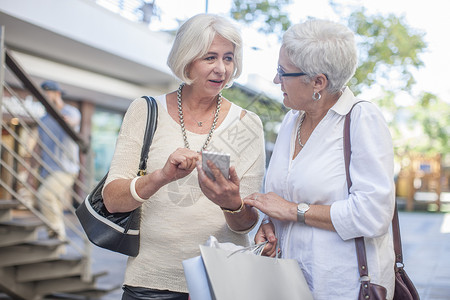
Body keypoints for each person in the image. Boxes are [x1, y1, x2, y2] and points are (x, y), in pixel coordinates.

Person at [102, 14, 265, 300]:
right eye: (210, 57)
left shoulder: (247, 124)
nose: (222, 69)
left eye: (228, 58)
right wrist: (161, 177)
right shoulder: (145, 110)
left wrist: (231, 203)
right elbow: (113, 201)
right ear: (186, 59)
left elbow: (247, 223)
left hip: (220, 281)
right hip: (150, 281)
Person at [244, 19, 396, 299]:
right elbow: (282, 196)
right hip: (288, 284)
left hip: (341, 287)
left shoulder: (361, 119)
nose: (276, 79)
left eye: (282, 71)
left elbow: (373, 214)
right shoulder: (291, 121)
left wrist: (293, 211)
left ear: (318, 82)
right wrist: (269, 224)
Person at [35, 80, 81, 240]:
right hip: (47, 169)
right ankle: (55, 238)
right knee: (52, 201)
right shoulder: (43, 119)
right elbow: (39, 146)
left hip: (66, 169)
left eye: (46, 94)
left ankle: (57, 233)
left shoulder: (70, 111)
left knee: (45, 195)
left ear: (57, 94)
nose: (43, 97)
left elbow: (73, 120)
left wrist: (66, 119)